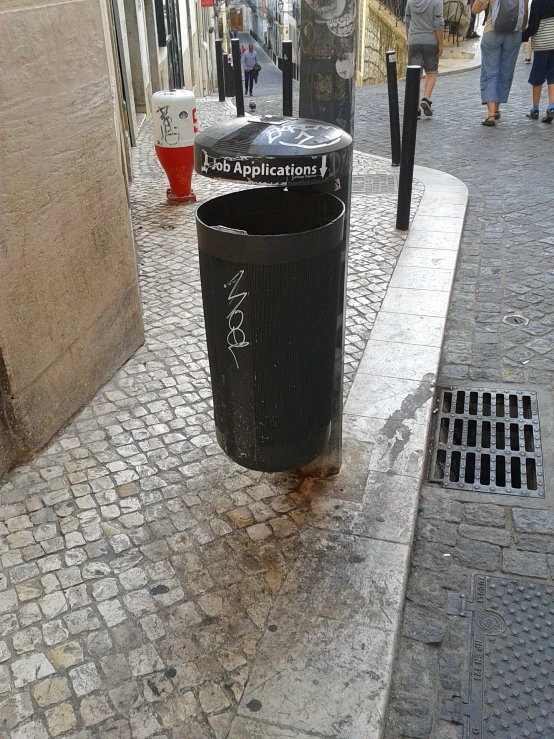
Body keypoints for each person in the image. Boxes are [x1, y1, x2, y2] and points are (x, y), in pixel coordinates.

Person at [472, 0, 529, 125]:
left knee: (490, 72)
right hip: (514, 34)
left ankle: (491, 115)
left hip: (492, 32)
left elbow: (475, 10)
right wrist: (521, 30)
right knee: (505, 72)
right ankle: (497, 109)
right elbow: (525, 11)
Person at [404, 0, 444, 116]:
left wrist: (409, 39)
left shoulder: (411, 1)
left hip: (414, 41)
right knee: (431, 72)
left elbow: (407, 22)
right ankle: (426, 98)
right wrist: (440, 44)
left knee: (415, 75)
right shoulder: (437, 1)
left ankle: (414, 108)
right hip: (430, 41)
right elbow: (438, 23)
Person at [522, 0, 554, 120]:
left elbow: (533, 28)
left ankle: (535, 109)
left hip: (542, 44)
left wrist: (521, 37)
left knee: (537, 76)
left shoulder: (537, 3)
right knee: (552, 75)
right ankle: (552, 106)